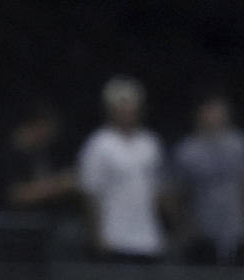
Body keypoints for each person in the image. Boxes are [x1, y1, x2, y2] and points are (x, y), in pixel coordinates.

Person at [78, 76, 166, 262]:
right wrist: (97, 235)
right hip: (114, 238)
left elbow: (157, 192)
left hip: (148, 239)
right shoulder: (99, 144)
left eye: (131, 105)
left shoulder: (150, 143)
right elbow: (91, 193)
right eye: (121, 105)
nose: (127, 111)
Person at [171, 95, 244, 265]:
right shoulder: (188, 150)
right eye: (208, 113)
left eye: (217, 113)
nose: (213, 118)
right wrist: (182, 226)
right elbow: (178, 192)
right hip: (201, 230)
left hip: (235, 228)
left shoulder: (238, 146)